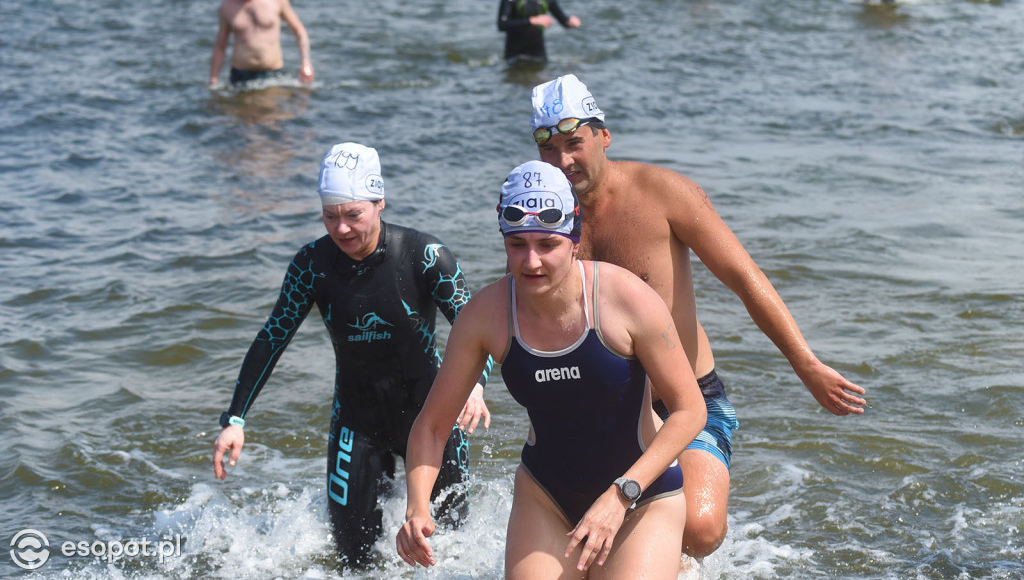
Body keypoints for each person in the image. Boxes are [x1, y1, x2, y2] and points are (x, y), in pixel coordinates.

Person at [526, 75, 867, 559]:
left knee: (702, 529)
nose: (563, 162)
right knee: (583, 543)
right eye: (551, 150)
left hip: (683, 403)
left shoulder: (665, 193)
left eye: (575, 144)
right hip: (597, 410)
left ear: (604, 136)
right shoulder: (539, 222)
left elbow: (745, 278)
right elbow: (518, 316)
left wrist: (805, 364)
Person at [397, 161, 706, 577]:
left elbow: (690, 411)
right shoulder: (486, 317)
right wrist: (417, 505)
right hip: (547, 497)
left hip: (641, 496)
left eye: (547, 243)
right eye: (517, 244)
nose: (531, 261)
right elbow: (432, 426)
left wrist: (620, 495)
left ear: (575, 240)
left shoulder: (626, 299)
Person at [211, 142, 493, 566]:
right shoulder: (311, 264)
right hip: (357, 422)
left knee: (452, 552)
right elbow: (274, 336)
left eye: (353, 214)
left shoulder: (425, 256)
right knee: (354, 562)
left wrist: (474, 385)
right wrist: (234, 420)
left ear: (380, 203)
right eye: (330, 216)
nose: (341, 229)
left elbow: (481, 330)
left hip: (432, 416)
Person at [209, 0, 314, 88]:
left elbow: (299, 31)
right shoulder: (227, 7)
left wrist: (306, 62)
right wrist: (213, 78)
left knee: (274, 108)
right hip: (240, 75)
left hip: (272, 74)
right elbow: (220, 46)